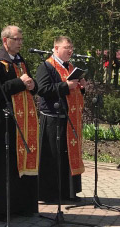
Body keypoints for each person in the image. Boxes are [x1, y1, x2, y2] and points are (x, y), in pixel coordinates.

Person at [0, 25, 39, 220]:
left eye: (21, 39)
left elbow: (28, 85)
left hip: (24, 121)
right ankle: (1, 207)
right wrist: (19, 83)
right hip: (5, 120)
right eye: (16, 39)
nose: (20, 42)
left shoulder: (21, 61)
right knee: (5, 163)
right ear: (6, 41)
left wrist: (32, 85)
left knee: (21, 162)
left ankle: (22, 205)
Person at [35, 36, 84, 203]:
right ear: (55, 48)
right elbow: (42, 89)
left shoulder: (71, 67)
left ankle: (68, 191)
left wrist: (81, 86)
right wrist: (65, 86)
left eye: (71, 47)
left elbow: (73, 91)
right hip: (52, 117)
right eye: (66, 47)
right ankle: (49, 193)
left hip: (69, 117)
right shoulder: (46, 66)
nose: (70, 50)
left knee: (66, 155)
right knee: (52, 156)